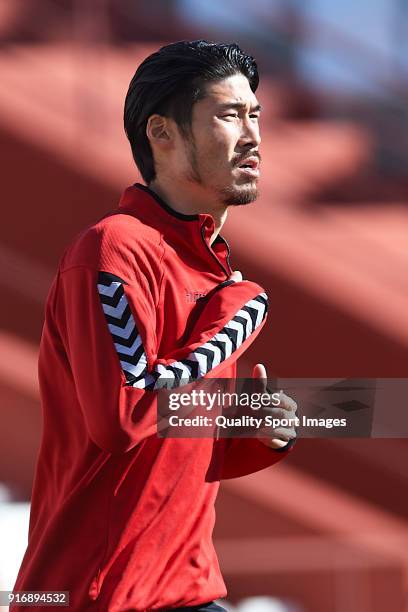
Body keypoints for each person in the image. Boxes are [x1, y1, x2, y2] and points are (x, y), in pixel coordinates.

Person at [12, 40, 297, 611]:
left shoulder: (209, 267)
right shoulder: (112, 249)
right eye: (228, 115)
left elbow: (169, 443)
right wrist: (230, 322)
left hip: (185, 591)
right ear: (161, 134)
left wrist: (256, 433)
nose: (252, 135)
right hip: (95, 598)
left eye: (255, 115)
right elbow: (123, 419)